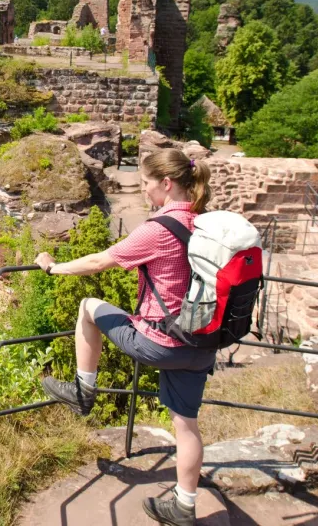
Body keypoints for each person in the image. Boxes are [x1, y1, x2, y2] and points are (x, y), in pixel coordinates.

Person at [33, 148, 213, 526]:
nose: (144, 192)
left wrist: (53, 268)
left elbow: (101, 260)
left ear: (166, 183)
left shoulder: (158, 229)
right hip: (200, 343)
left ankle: (84, 392)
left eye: (147, 184)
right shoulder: (204, 223)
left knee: (88, 307)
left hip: (161, 343)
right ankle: (184, 505)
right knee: (186, 426)